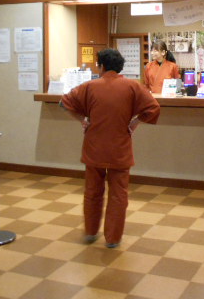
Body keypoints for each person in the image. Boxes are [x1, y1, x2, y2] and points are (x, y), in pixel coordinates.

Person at [60, 48, 160, 248]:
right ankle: (113, 238)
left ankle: (90, 232)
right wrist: (135, 122)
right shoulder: (133, 86)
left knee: (92, 191)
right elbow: (153, 108)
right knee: (118, 194)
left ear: (102, 66)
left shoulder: (89, 86)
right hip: (120, 149)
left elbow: (64, 103)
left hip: (94, 147)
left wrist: (83, 120)